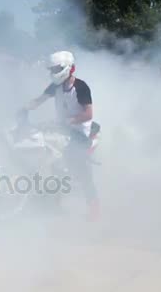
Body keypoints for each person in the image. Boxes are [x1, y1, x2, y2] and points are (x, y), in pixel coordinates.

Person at [18, 50, 100, 221]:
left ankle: (94, 208)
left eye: (56, 69)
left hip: (79, 134)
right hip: (61, 130)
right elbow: (39, 100)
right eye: (52, 70)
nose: (53, 73)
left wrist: (69, 121)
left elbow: (88, 114)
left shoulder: (81, 87)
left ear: (69, 68)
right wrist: (24, 108)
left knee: (81, 170)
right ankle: (51, 202)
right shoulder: (55, 86)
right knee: (42, 153)